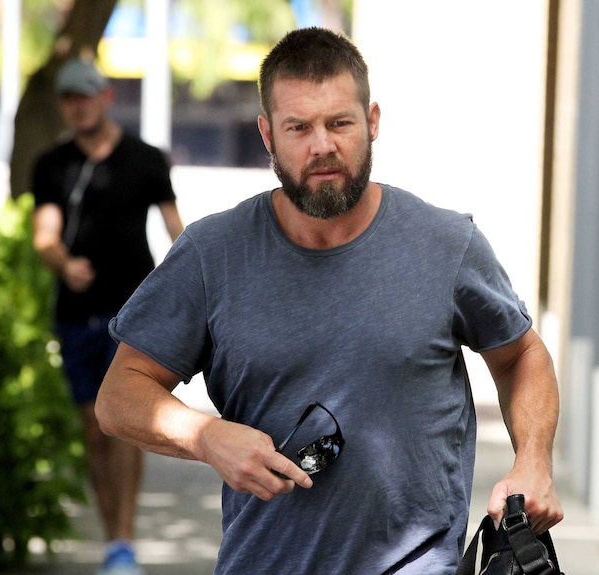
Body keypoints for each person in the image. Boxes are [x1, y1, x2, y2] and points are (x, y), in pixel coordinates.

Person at [95, 27, 563, 574]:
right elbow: (119, 397)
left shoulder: (446, 245)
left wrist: (533, 461)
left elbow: (522, 356)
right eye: (298, 127)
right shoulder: (211, 254)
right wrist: (206, 438)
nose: (322, 146)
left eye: (339, 122)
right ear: (268, 135)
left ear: (373, 121)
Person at [31, 58, 184, 575]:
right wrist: (63, 263)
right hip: (75, 315)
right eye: (68, 98)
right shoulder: (51, 164)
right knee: (94, 430)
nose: (78, 105)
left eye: (85, 95)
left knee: (125, 425)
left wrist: (191, 289)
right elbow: (44, 237)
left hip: (133, 315)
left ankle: (124, 541)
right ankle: (111, 537)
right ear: (63, 105)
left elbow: (176, 232)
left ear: (106, 96)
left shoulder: (145, 159)